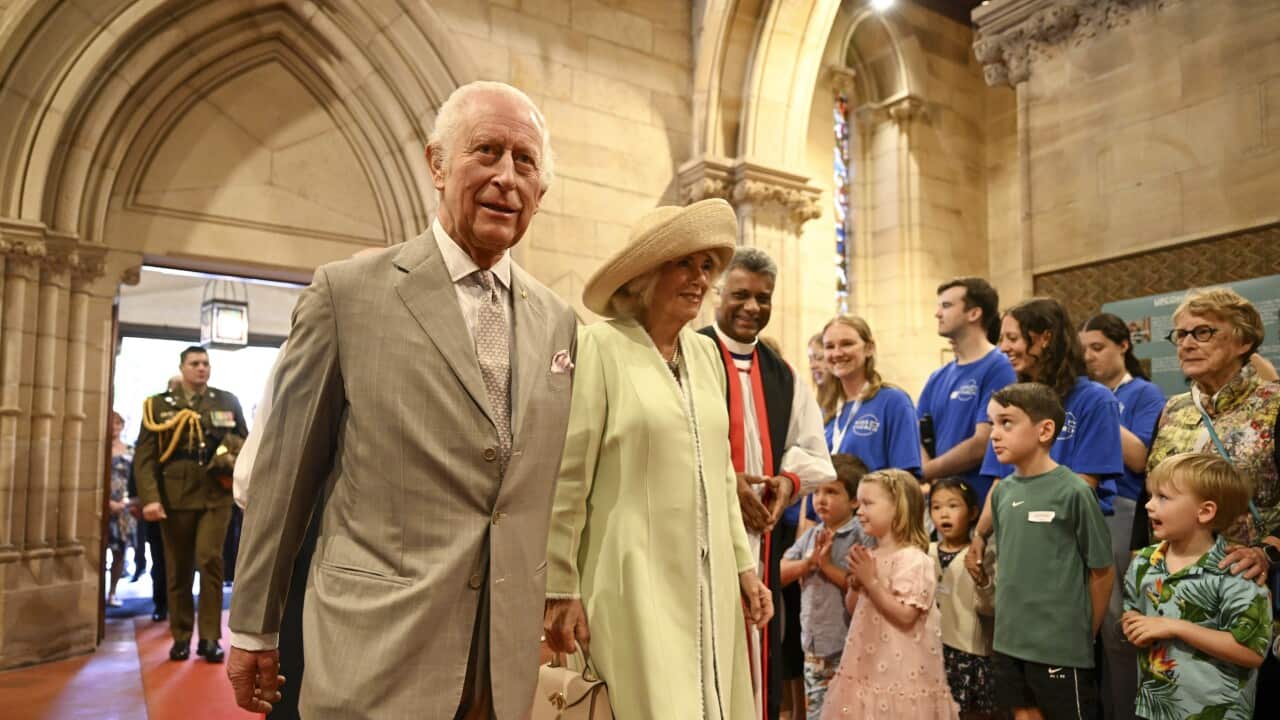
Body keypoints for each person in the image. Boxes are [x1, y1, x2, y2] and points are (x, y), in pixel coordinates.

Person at [226, 81, 579, 719]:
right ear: (437, 164)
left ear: (542, 191)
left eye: (524, 161)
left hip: (500, 659)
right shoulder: (348, 294)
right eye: (486, 151)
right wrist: (254, 625)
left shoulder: (558, 320)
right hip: (376, 647)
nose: (506, 177)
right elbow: (284, 477)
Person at [543, 198, 773, 720]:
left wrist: (744, 567)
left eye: (706, 267)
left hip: (709, 583)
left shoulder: (706, 353)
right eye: (683, 264)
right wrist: (561, 586)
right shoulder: (600, 346)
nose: (699, 279)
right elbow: (568, 477)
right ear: (646, 275)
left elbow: (719, 473)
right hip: (630, 578)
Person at [699, 247, 836, 720]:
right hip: (700, 537)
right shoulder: (688, 354)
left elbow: (814, 450)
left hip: (761, 539)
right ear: (717, 293)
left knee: (760, 661)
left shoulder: (785, 376)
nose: (752, 307)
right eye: (740, 294)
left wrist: (786, 481)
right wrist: (724, 482)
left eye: (764, 297)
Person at [1143, 287, 1280, 718]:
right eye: (1180, 334)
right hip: (1177, 594)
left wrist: (1270, 549)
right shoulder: (1172, 410)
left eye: (1203, 332)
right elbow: (1152, 495)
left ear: (1243, 341)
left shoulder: (1274, 406)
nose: (1186, 342)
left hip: (1251, 590)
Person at [985, 383, 1114, 720]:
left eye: (1007, 423)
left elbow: (1102, 571)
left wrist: (1085, 633)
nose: (994, 434)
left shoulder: (1074, 491)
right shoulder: (1002, 493)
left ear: (1044, 430)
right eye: (992, 424)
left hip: (1060, 648)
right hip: (1009, 643)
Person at [968, 298, 1124, 577]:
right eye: (1001, 338)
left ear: (1045, 338)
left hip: (1069, 540)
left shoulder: (1095, 400)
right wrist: (980, 535)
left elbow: (1085, 484)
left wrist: (1031, 516)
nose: (1003, 347)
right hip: (1017, 538)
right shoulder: (1009, 401)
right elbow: (999, 481)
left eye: (1012, 338)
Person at [1123, 452, 1272, 720]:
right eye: (1151, 495)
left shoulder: (1236, 571)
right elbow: (1132, 608)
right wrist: (1133, 623)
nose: (1148, 505)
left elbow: (1251, 651)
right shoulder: (1145, 561)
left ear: (1205, 511)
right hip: (1153, 708)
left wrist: (1175, 626)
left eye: (1163, 497)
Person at [133, 346, 248, 662]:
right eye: (195, 363)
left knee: (210, 560)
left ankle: (210, 638)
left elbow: (246, 444)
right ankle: (181, 635)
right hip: (175, 496)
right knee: (178, 567)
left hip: (215, 493)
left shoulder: (226, 401)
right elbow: (145, 458)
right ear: (182, 368)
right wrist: (150, 498)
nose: (202, 368)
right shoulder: (158, 406)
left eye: (206, 363)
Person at [1079, 312, 1167, 720]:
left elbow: (1140, 460)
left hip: (1126, 512)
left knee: (1117, 625)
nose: (1090, 358)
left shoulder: (1144, 394)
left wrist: (1101, 410)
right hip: (1085, 509)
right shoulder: (1079, 395)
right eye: (1084, 351)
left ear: (1123, 346)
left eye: (1098, 348)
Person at [821, 468, 957, 719]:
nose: (859, 511)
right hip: (866, 665)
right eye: (858, 503)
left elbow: (906, 616)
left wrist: (871, 582)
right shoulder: (870, 555)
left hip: (902, 674)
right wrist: (856, 585)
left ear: (898, 507)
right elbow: (854, 610)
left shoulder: (914, 560)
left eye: (868, 503)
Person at [780, 454, 873, 717]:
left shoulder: (862, 536)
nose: (820, 499)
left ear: (855, 500)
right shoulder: (811, 535)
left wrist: (828, 566)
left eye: (831, 492)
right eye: (816, 491)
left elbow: (864, 590)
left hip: (847, 648)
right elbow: (779, 572)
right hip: (813, 649)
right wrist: (808, 564)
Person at [918, 278, 1016, 506]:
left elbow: (983, 442)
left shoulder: (1000, 367)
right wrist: (925, 470)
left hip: (980, 502)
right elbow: (917, 433)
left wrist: (927, 471)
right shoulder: (938, 377)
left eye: (946, 306)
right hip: (942, 507)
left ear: (974, 314)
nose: (937, 314)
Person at [818, 316, 922, 476]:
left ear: (869, 348)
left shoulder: (893, 402)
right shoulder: (826, 409)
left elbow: (905, 478)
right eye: (829, 346)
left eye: (847, 344)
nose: (837, 353)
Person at [929, 477, 996, 720]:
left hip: (972, 658)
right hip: (934, 654)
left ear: (973, 512)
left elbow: (991, 608)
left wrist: (983, 582)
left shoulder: (981, 554)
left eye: (953, 506)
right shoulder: (925, 551)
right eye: (936, 507)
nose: (944, 514)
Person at [106, 411, 136, 608]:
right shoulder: (100, 449)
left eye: (118, 423)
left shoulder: (130, 450)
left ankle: (113, 592)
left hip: (124, 506)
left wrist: (128, 502)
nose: (115, 427)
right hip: (105, 503)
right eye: (112, 423)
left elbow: (135, 480)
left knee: (120, 552)